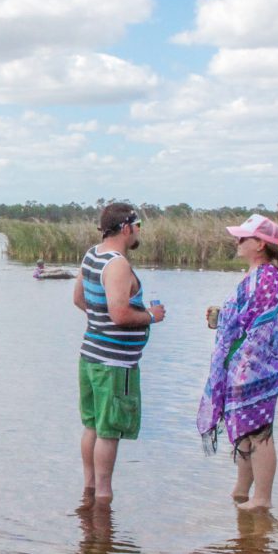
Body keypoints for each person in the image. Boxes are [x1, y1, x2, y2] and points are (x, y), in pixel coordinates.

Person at [196, 214, 278, 513]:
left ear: (260, 244)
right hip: (244, 364)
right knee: (245, 429)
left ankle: (262, 497)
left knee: (260, 431)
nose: (237, 242)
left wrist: (244, 366)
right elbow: (243, 317)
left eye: (243, 238)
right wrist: (221, 316)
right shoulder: (256, 277)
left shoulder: (267, 278)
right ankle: (242, 489)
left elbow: (260, 327)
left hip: (257, 366)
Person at [73, 202, 164, 504]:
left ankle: (89, 489)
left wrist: (99, 320)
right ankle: (103, 495)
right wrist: (151, 316)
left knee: (92, 425)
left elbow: (79, 299)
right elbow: (121, 314)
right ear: (126, 228)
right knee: (109, 430)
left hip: (91, 355)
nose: (139, 233)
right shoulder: (118, 264)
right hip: (113, 363)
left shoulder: (91, 255)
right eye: (138, 227)